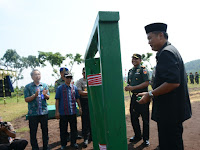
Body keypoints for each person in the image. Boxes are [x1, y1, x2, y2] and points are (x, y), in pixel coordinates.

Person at [137, 22, 192, 150]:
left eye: (150, 38)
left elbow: (173, 82)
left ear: (161, 35)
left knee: (172, 144)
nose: (149, 42)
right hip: (171, 111)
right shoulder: (168, 50)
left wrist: (150, 94)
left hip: (170, 112)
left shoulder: (166, 53)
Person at [124, 54, 150, 147]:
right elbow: (129, 83)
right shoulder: (130, 71)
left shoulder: (143, 69)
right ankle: (138, 135)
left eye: (136, 59)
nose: (134, 60)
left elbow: (147, 83)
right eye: (132, 58)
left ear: (140, 60)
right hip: (134, 97)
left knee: (145, 118)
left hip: (143, 96)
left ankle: (146, 139)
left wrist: (133, 87)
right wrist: (128, 87)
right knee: (133, 117)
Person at [55, 69, 82, 150]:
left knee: (74, 129)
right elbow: (57, 100)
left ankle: (73, 143)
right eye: (67, 78)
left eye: (70, 77)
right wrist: (57, 111)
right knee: (63, 130)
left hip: (72, 112)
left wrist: (80, 107)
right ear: (64, 78)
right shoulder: (60, 88)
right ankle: (63, 144)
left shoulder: (74, 88)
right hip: (63, 113)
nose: (69, 79)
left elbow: (77, 98)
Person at [24, 69, 50, 150]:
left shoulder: (44, 85)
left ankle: (46, 147)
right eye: (35, 74)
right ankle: (35, 148)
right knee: (33, 132)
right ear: (32, 77)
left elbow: (48, 97)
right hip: (33, 114)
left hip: (43, 112)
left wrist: (45, 95)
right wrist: (34, 96)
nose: (37, 76)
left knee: (45, 131)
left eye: (39, 74)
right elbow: (26, 99)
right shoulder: (28, 87)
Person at [76, 67, 92, 148]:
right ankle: (86, 138)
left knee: (93, 119)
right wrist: (90, 92)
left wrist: (87, 92)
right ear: (82, 73)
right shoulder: (80, 81)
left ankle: (92, 136)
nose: (86, 74)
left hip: (93, 102)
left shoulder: (92, 80)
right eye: (84, 72)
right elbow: (80, 92)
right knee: (85, 120)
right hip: (84, 102)